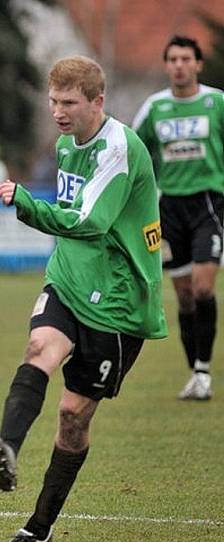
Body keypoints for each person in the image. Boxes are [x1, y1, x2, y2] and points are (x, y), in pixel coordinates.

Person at [0, 56, 167, 542]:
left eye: (70, 103)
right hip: (69, 278)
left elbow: (90, 221)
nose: (58, 112)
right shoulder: (66, 145)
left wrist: (25, 201)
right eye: (54, 101)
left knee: (72, 419)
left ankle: (38, 530)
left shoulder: (119, 148)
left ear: (96, 102)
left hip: (121, 301)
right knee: (39, 347)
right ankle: (8, 446)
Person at [132, 36, 224, 401]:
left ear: (198, 64)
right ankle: (196, 374)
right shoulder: (155, 107)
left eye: (186, 58)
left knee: (203, 288)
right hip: (168, 208)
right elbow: (133, 151)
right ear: (166, 65)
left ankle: (204, 369)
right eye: (172, 59)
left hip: (208, 204)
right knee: (184, 296)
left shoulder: (216, 102)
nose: (179, 65)